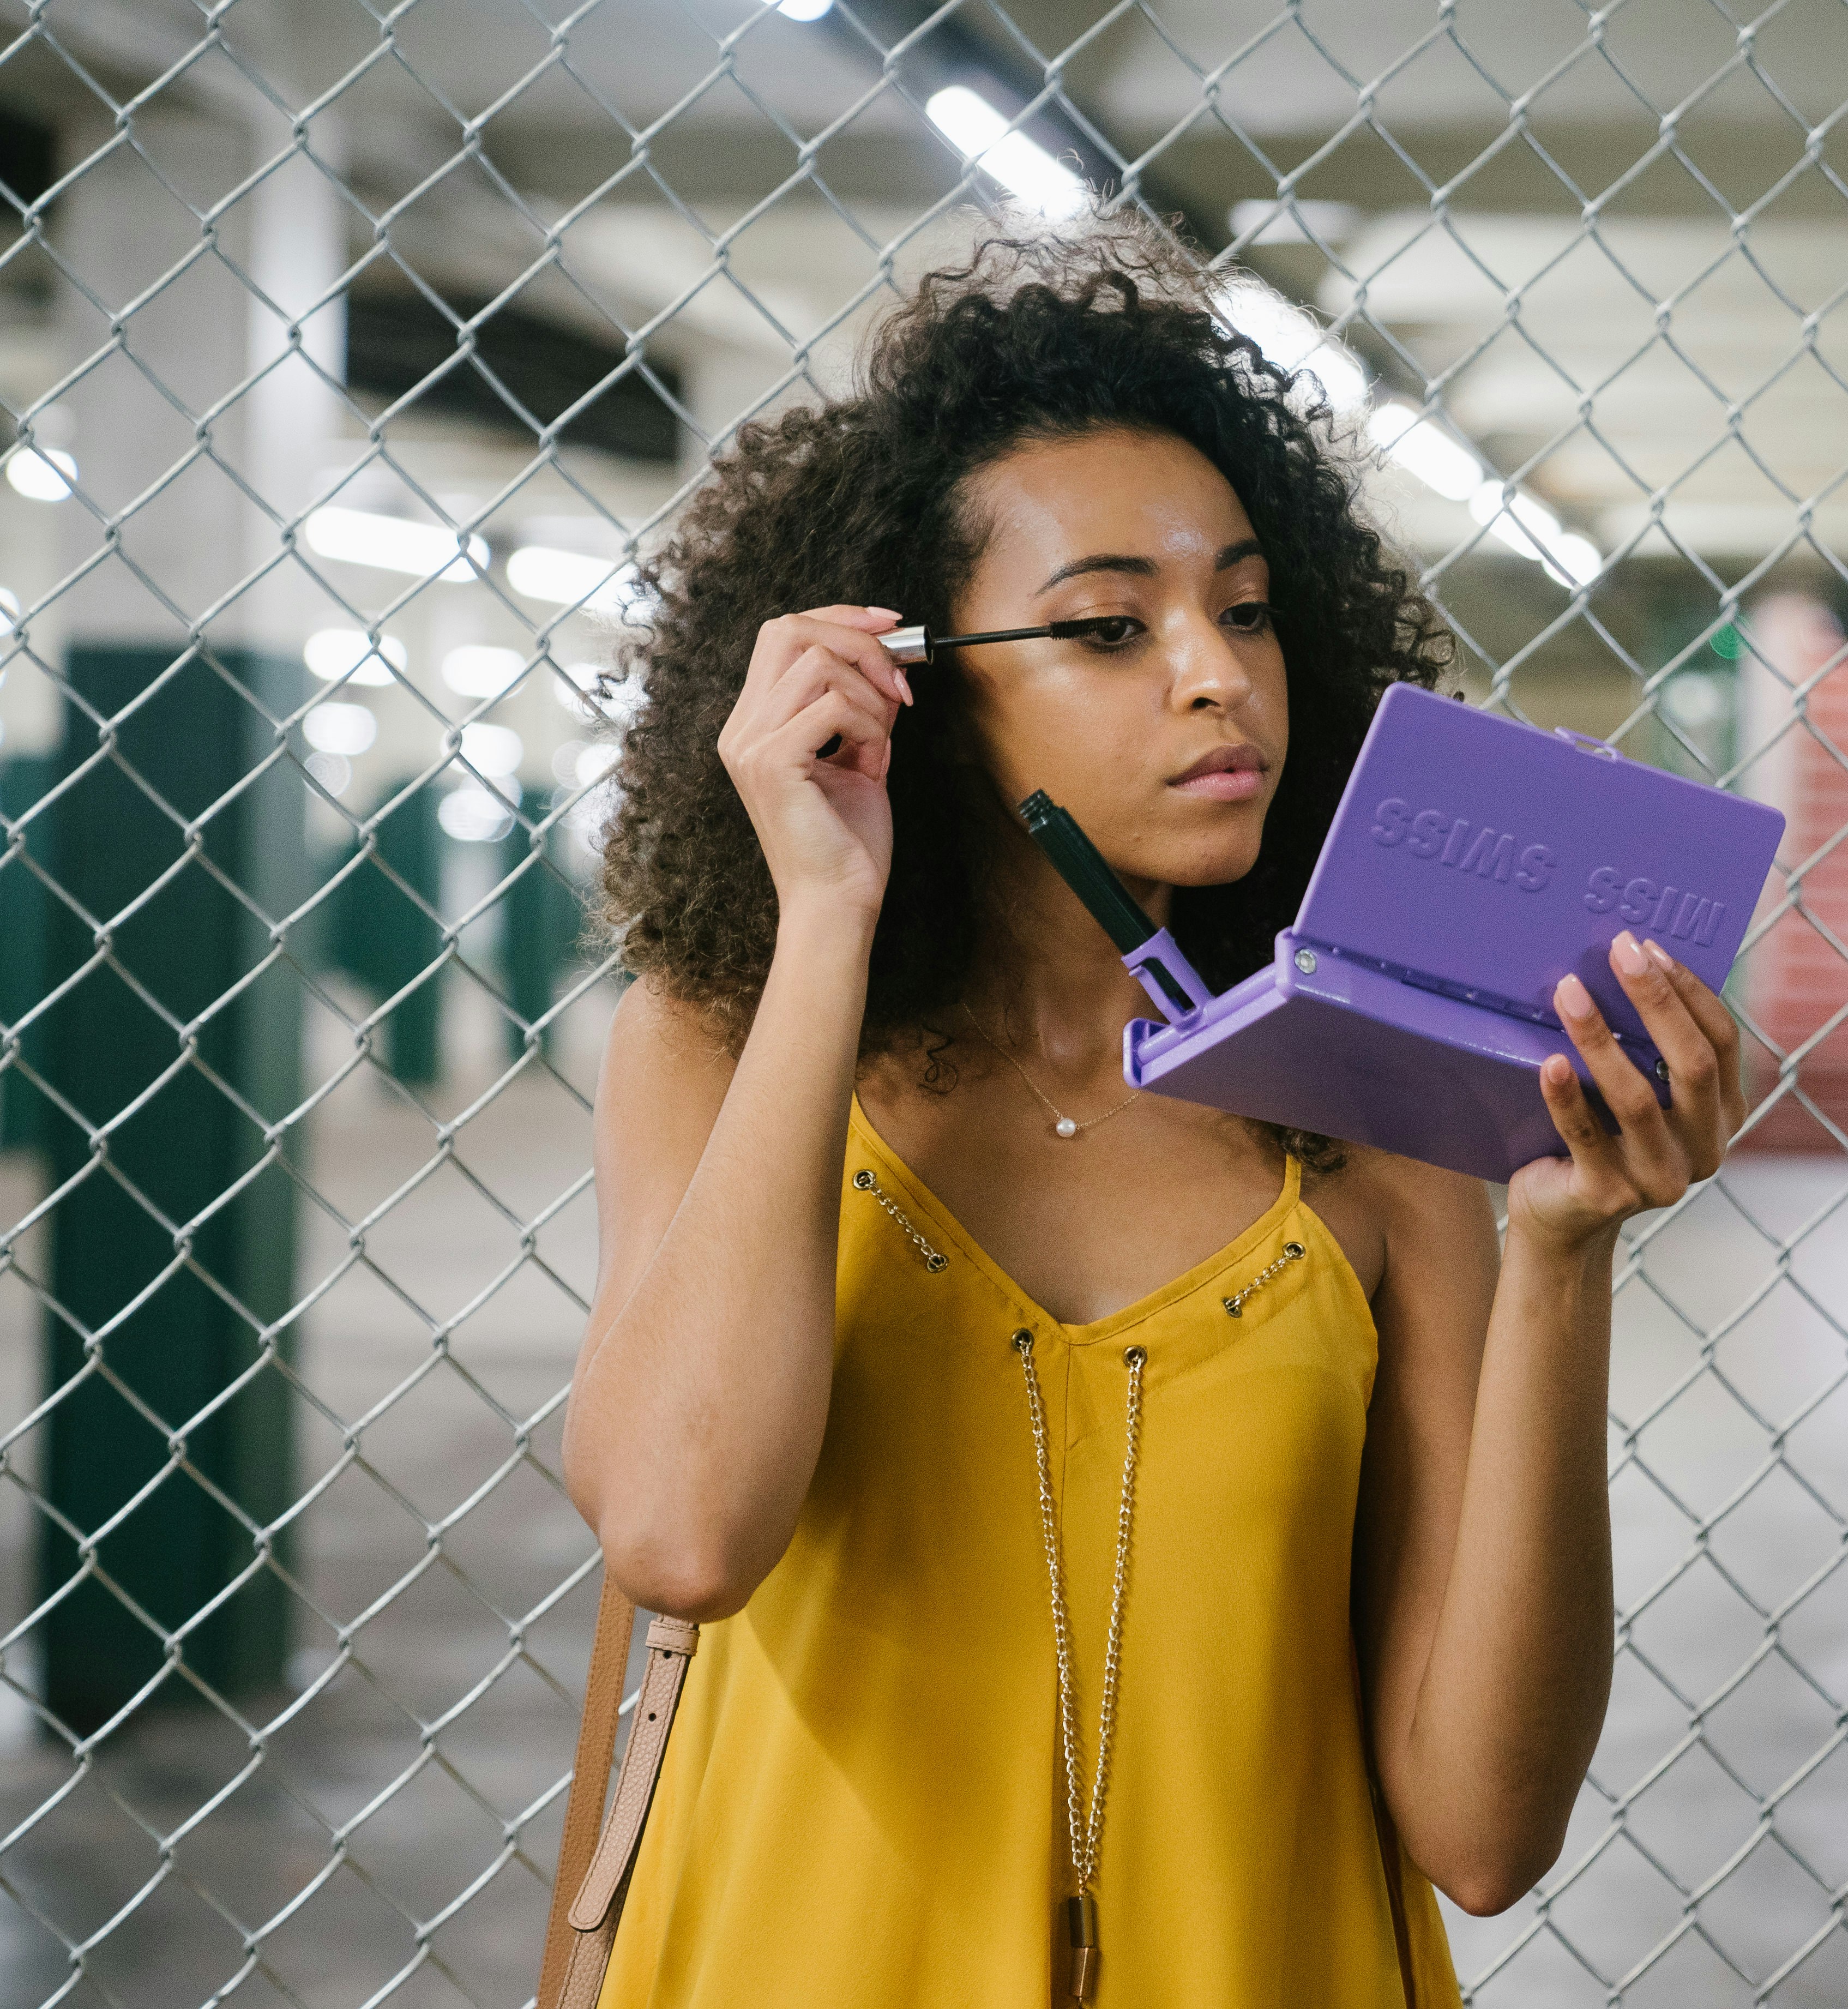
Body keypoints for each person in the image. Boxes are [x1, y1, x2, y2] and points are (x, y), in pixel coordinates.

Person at [561, 215, 1748, 2007]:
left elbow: (1486, 1832)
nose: (1218, 671)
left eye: (1248, 608)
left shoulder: (1371, 1124)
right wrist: (824, 918)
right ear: (910, 684)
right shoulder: (719, 1043)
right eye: (1112, 625)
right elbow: (682, 1532)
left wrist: (1562, 1255)